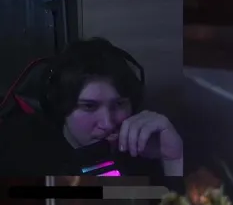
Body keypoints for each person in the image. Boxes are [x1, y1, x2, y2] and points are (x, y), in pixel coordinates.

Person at [0, 38, 183, 177]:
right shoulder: (19, 154)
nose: (108, 124)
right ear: (60, 105)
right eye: (89, 106)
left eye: (119, 104)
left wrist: (172, 160)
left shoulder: (143, 152)